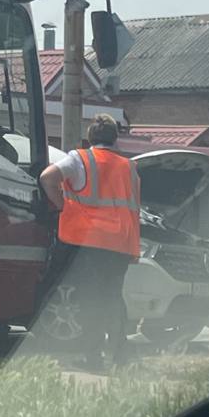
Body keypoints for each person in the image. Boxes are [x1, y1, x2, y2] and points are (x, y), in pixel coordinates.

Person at [39, 114, 140, 368]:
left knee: (90, 298)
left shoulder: (80, 158)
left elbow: (47, 178)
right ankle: (121, 355)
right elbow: (134, 208)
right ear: (115, 139)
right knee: (113, 297)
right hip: (120, 243)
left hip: (89, 241)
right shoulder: (129, 167)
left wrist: (64, 206)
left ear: (90, 137)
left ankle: (92, 357)